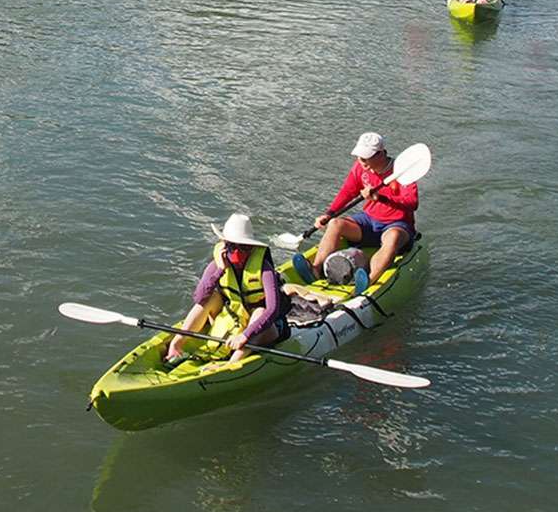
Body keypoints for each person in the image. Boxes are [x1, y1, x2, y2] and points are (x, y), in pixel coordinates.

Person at [165, 213, 287, 365]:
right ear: (224, 245)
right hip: (234, 316)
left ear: (252, 247)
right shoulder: (218, 264)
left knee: (260, 311)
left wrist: (245, 336)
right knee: (211, 297)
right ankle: (176, 344)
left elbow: (272, 310)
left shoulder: (265, 269)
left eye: (244, 247)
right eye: (232, 246)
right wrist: (220, 270)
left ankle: (232, 363)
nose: (237, 252)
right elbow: (199, 298)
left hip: (262, 328)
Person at [310, 133, 418, 284]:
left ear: (381, 154)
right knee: (335, 224)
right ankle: (316, 269)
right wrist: (328, 214)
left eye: (366, 157)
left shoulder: (401, 172)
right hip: (368, 221)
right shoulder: (360, 168)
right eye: (360, 156)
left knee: (392, 237)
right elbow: (347, 192)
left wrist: (381, 198)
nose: (361, 161)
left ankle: (368, 281)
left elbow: (412, 203)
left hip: (396, 225)